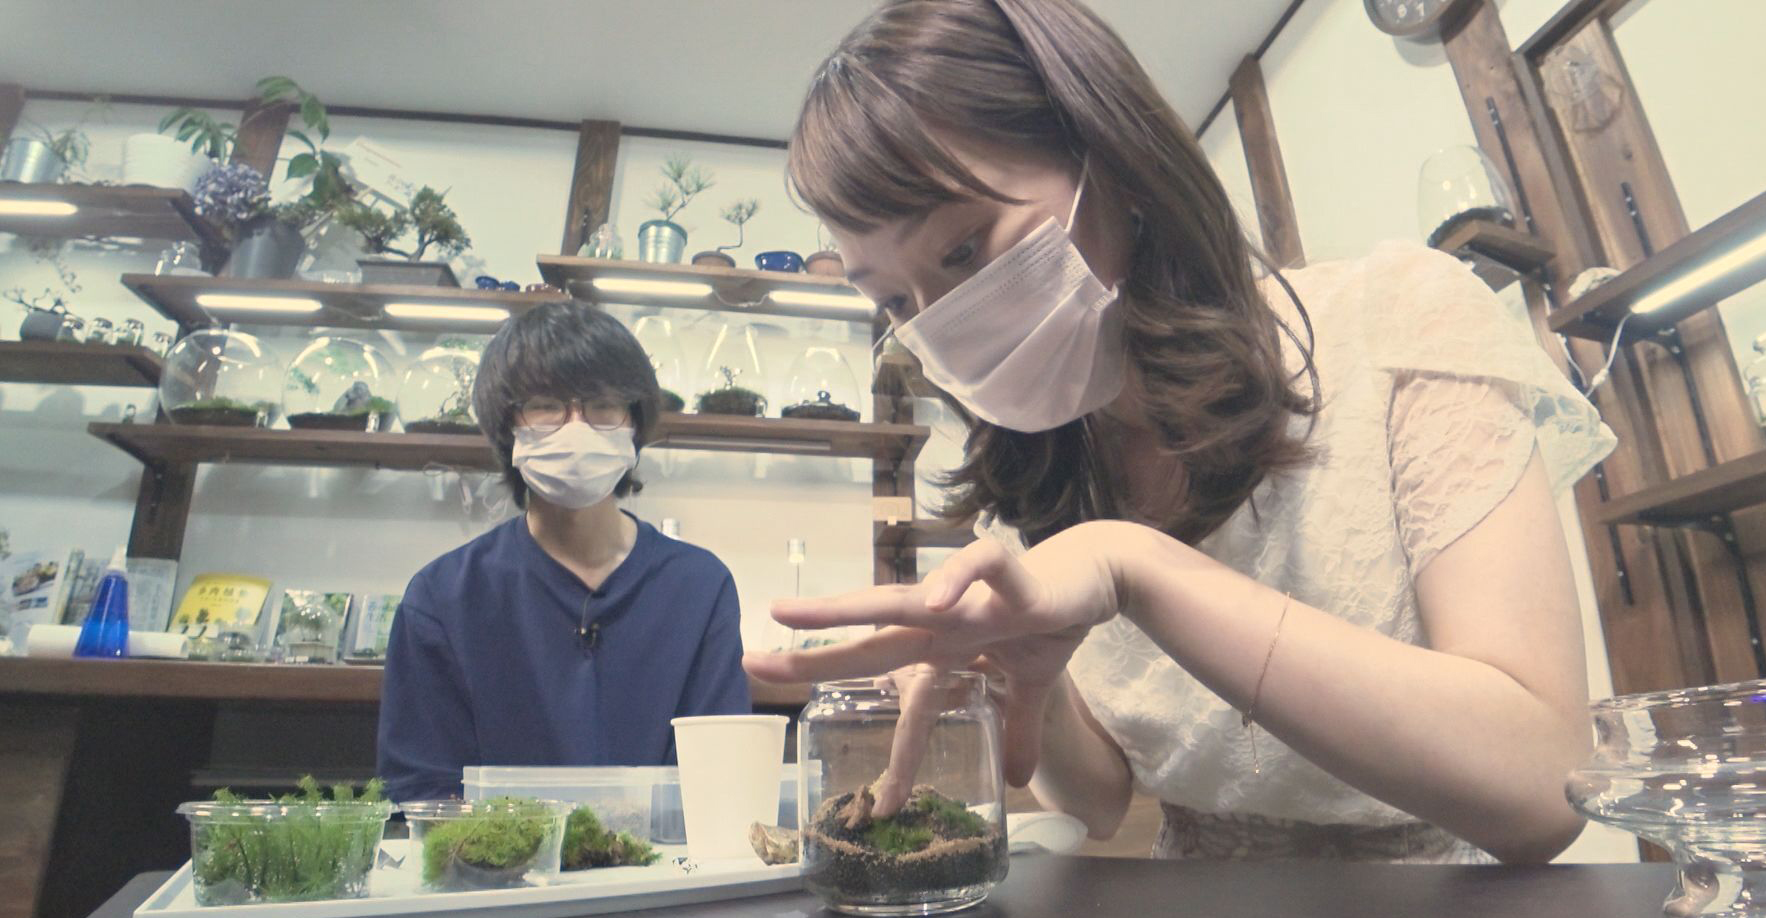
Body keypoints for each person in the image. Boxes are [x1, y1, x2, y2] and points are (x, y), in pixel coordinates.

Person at [744, 0, 1616, 864]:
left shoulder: (1396, 323)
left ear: (1115, 164)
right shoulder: (1037, 480)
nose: (941, 322)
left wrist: (1136, 568)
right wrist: (1024, 685)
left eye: (965, 251)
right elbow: (1098, 799)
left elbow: (1542, 788)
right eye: (894, 301)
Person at [379, 301, 750, 803]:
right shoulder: (442, 598)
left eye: (602, 405)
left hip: (663, 855)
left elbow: (718, 779)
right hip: (500, 855)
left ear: (634, 422)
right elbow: (422, 793)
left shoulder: (699, 587)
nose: (576, 427)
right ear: (506, 425)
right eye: (546, 405)